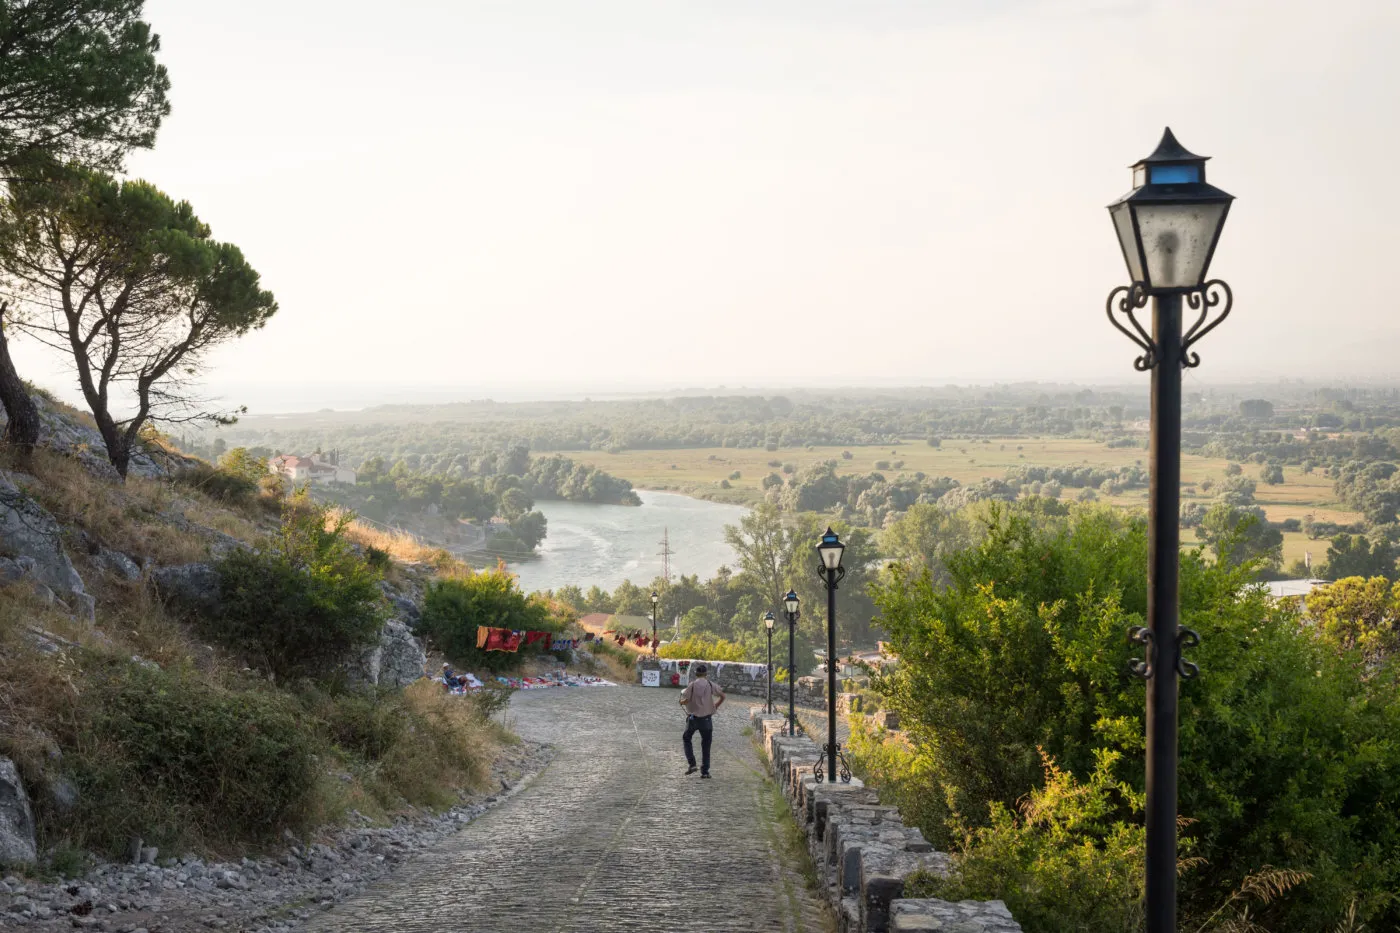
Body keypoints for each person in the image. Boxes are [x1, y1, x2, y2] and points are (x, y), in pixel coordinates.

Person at [679, 662, 724, 778]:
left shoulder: (692, 685)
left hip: (693, 719)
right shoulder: (710, 684)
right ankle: (705, 772)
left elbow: (686, 699)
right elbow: (723, 695)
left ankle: (692, 764)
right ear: (706, 674)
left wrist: (681, 702)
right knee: (706, 744)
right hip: (707, 720)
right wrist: (715, 706)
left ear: (696, 674)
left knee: (686, 738)